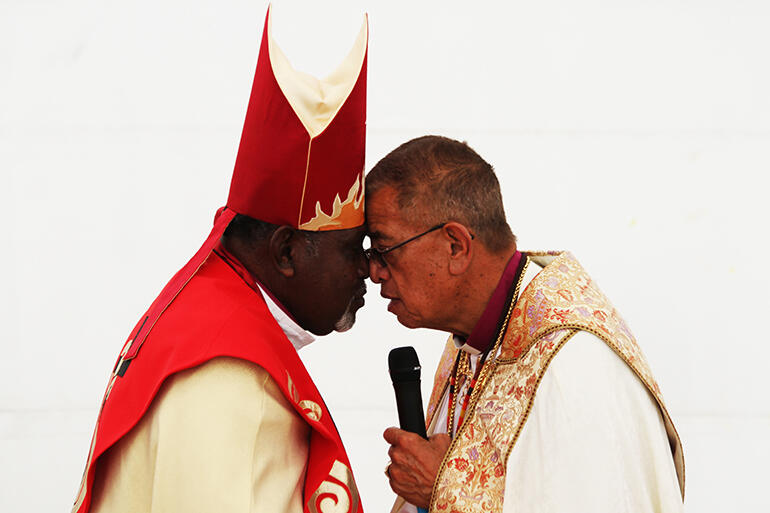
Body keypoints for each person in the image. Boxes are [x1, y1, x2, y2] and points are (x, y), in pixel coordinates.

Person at [72, 7, 369, 513]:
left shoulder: (206, 316)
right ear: (287, 252)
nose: (368, 268)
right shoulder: (229, 378)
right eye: (353, 249)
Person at [365, 135, 685, 513]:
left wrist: (445, 490)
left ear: (455, 246)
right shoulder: (472, 342)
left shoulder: (573, 366)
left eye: (384, 250)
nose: (373, 272)